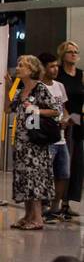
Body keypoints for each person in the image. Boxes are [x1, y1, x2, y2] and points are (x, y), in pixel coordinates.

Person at [8, 54, 62, 231]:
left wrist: (36, 110)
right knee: (24, 178)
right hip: (22, 143)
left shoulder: (40, 89)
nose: (18, 68)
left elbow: (56, 111)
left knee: (34, 179)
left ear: (31, 70)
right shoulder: (20, 92)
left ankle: (37, 218)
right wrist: (6, 87)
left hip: (36, 144)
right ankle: (27, 215)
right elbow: (7, 108)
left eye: (22, 65)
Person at [41, 52, 70, 221]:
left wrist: (66, 118)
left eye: (56, 66)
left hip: (61, 137)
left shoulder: (59, 86)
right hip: (47, 137)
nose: (55, 69)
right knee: (46, 172)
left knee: (63, 173)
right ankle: (43, 205)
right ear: (43, 68)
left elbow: (63, 107)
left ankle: (55, 206)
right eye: (52, 66)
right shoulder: (39, 87)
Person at [57, 40, 83, 217]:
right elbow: (58, 97)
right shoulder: (58, 74)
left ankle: (67, 202)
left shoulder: (81, 75)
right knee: (62, 163)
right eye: (70, 51)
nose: (73, 54)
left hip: (79, 121)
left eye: (76, 51)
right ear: (63, 55)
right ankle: (56, 201)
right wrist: (66, 116)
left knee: (76, 163)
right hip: (63, 121)